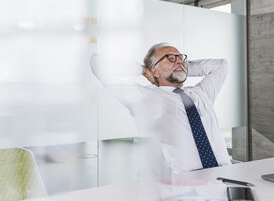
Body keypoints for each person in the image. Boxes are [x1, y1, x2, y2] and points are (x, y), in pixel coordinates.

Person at [90, 42, 231, 174]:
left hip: (226, 176)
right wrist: (142, 70)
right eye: (170, 58)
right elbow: (98, 64)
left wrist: (181, 66)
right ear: (154, 71)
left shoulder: (201, 93)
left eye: (181, 58)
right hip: (185, 185)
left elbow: (221, 65)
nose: (179, 61)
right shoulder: (144, 97)